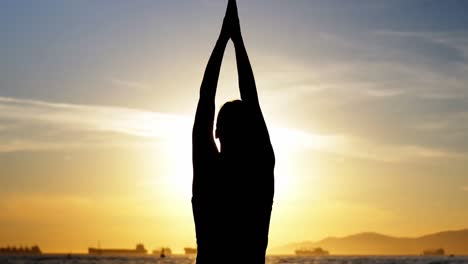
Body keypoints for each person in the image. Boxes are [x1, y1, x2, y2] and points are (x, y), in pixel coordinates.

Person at [192, 0, 275, 263]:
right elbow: (252, 100)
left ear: (217, 132)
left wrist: (224, 39)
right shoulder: (260, 172)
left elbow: (206, 98)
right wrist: (236, 39)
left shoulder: (208, 170)